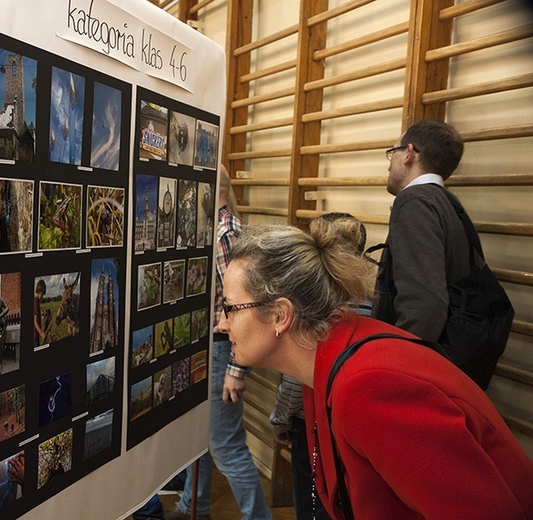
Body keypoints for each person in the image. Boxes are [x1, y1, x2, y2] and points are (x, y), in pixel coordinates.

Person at [218, 219, 533, 519]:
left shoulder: (366, 386)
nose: (221, 324)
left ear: (279, 315)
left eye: (230, 308)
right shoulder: (327, 360)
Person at [165, 165, 272, 520]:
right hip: (212, 348)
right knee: (204, 435)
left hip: (223, 349)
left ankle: (257, 516)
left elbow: (244, 306)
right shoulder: (219, 228)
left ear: (211, 191)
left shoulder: (226, 233)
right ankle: (192, 505)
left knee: (226, 445)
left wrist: (236, 369)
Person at [269, 212, 371, 520]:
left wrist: (280, 421)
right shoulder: (369, 299)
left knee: (314, 507)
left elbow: (294, 379)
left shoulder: (313, 303)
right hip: (353, 423)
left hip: (312, 423)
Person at [371, 120, 469, 342]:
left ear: (409, 153)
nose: (389, 165)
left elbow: (425, 304)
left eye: (393, 152)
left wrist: (401, 360)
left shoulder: (414, 203)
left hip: (417, 357)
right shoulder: (447, 202)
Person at [34, 278, 47, 347]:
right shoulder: (35, 302)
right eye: (43, 294)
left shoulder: (36, 301)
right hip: (34, 336)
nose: (42, 296)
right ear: (41, 292)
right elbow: (35, 322)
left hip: (36, 335)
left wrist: (40, 315)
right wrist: (42, 333)